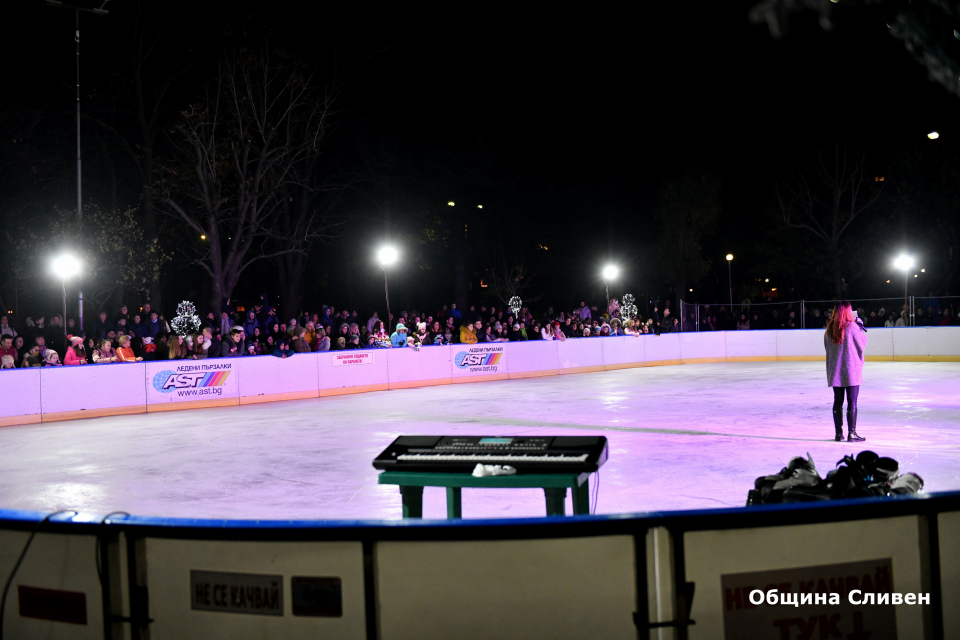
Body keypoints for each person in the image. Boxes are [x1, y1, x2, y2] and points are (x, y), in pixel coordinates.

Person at [825, 301, 868, 442]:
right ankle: (852, 433)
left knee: (837, 402)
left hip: (836, 371)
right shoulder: (853, 327)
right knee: (852, 401)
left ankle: (838, 433)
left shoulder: (830, 329)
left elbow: (828, 349)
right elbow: (863, 343)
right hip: (851, 371)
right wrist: (860, 324)